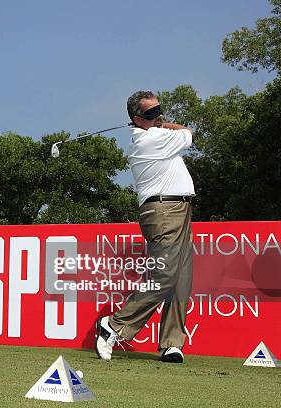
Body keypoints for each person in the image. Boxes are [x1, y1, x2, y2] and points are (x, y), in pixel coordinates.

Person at [95, 90, 194, 363]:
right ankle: (114, 326)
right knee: (165, 276)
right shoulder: (148, 139)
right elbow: (188, 132)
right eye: (151, 113)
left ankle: (172, 343)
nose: (159, 116)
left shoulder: (154, 133)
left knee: (181, 278)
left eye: (159, 109)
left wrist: (157, 122)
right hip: (163, 211)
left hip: (180, 209)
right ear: (137, 119)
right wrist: (164, 125)